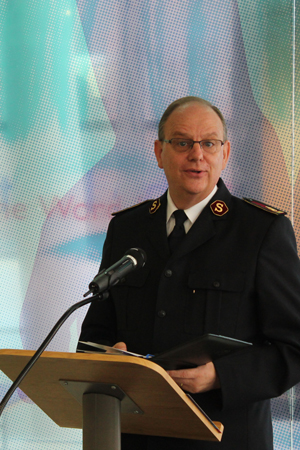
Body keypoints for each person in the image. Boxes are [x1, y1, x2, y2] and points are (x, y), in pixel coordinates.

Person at [78, 96, 300, 449]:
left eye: (209, 143)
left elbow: (293, 347)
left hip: (224, 437)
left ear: (225, 153)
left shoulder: (260, 232)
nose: (197, 155)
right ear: (159, 152)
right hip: (137, 435)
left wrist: (220, 376)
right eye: (182, 143)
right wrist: (109, 358)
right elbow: (96, 334)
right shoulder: (128, 228)